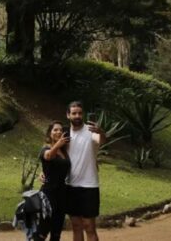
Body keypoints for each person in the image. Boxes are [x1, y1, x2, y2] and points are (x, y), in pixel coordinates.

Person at [65, 101, 106, 241]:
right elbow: (54, 155)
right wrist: (44, 172)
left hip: (89, 185)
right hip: (70, 186)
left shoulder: (91, 131)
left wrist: (101, 132)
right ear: (68, 115)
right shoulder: (64, 134)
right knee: (76, 226)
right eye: (74, 113)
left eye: (80, 113)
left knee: (89, 226)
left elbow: (101, 140)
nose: (77, 116)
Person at [38, 121, 71, 241]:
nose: (58, 132)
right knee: (43, 229)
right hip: (48, 193)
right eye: (55, 130)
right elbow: (47, 157)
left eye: (61, 130)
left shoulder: (64, 151)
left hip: (62, 193)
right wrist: (57, 144)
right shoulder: (46, 148)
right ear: (50, 133)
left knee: (57, 231)